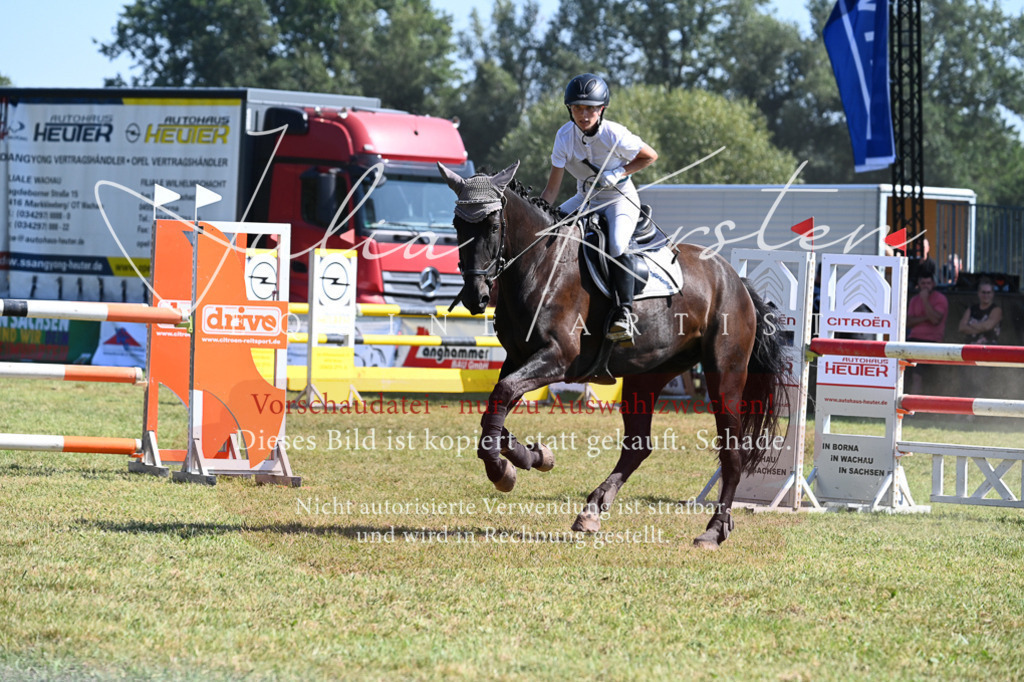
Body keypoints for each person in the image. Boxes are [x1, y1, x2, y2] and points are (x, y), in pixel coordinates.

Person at [540, 73, 658, 344]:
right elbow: (552, 189)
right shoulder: (564, 137)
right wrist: (543, 214)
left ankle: (624, 313)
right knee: (550, 233)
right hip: (584, 198)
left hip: (619, 199)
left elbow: (650, 156)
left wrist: (619, 172)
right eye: (578, 108)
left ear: (601, 109)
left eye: (591, 108)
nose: (584, 114)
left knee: (617, 245)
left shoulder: (614, 134)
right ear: (570, 109)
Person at [905, 259, 948, 394]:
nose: (925, 286)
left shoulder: (940, 299)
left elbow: (935, 320)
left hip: (932, 342)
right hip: (913, 340)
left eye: (928, 283)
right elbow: (907, 322)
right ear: (918, 284)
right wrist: (925, 318)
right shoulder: (914, 300)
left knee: (918, 375)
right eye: (923, 283)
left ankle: (914, 409)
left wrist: (924, 300)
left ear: (933, 284)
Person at [958, 276, 1002, 345]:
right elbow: (962, 327)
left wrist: (970, 325)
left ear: (992, 294)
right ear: (978, 293)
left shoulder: (996, 309)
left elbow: (988, 326)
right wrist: (981, 327)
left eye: (988, 292)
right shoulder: (971, 309)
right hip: (971, 348)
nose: (986, 295)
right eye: (983, 292)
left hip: (989, 349)